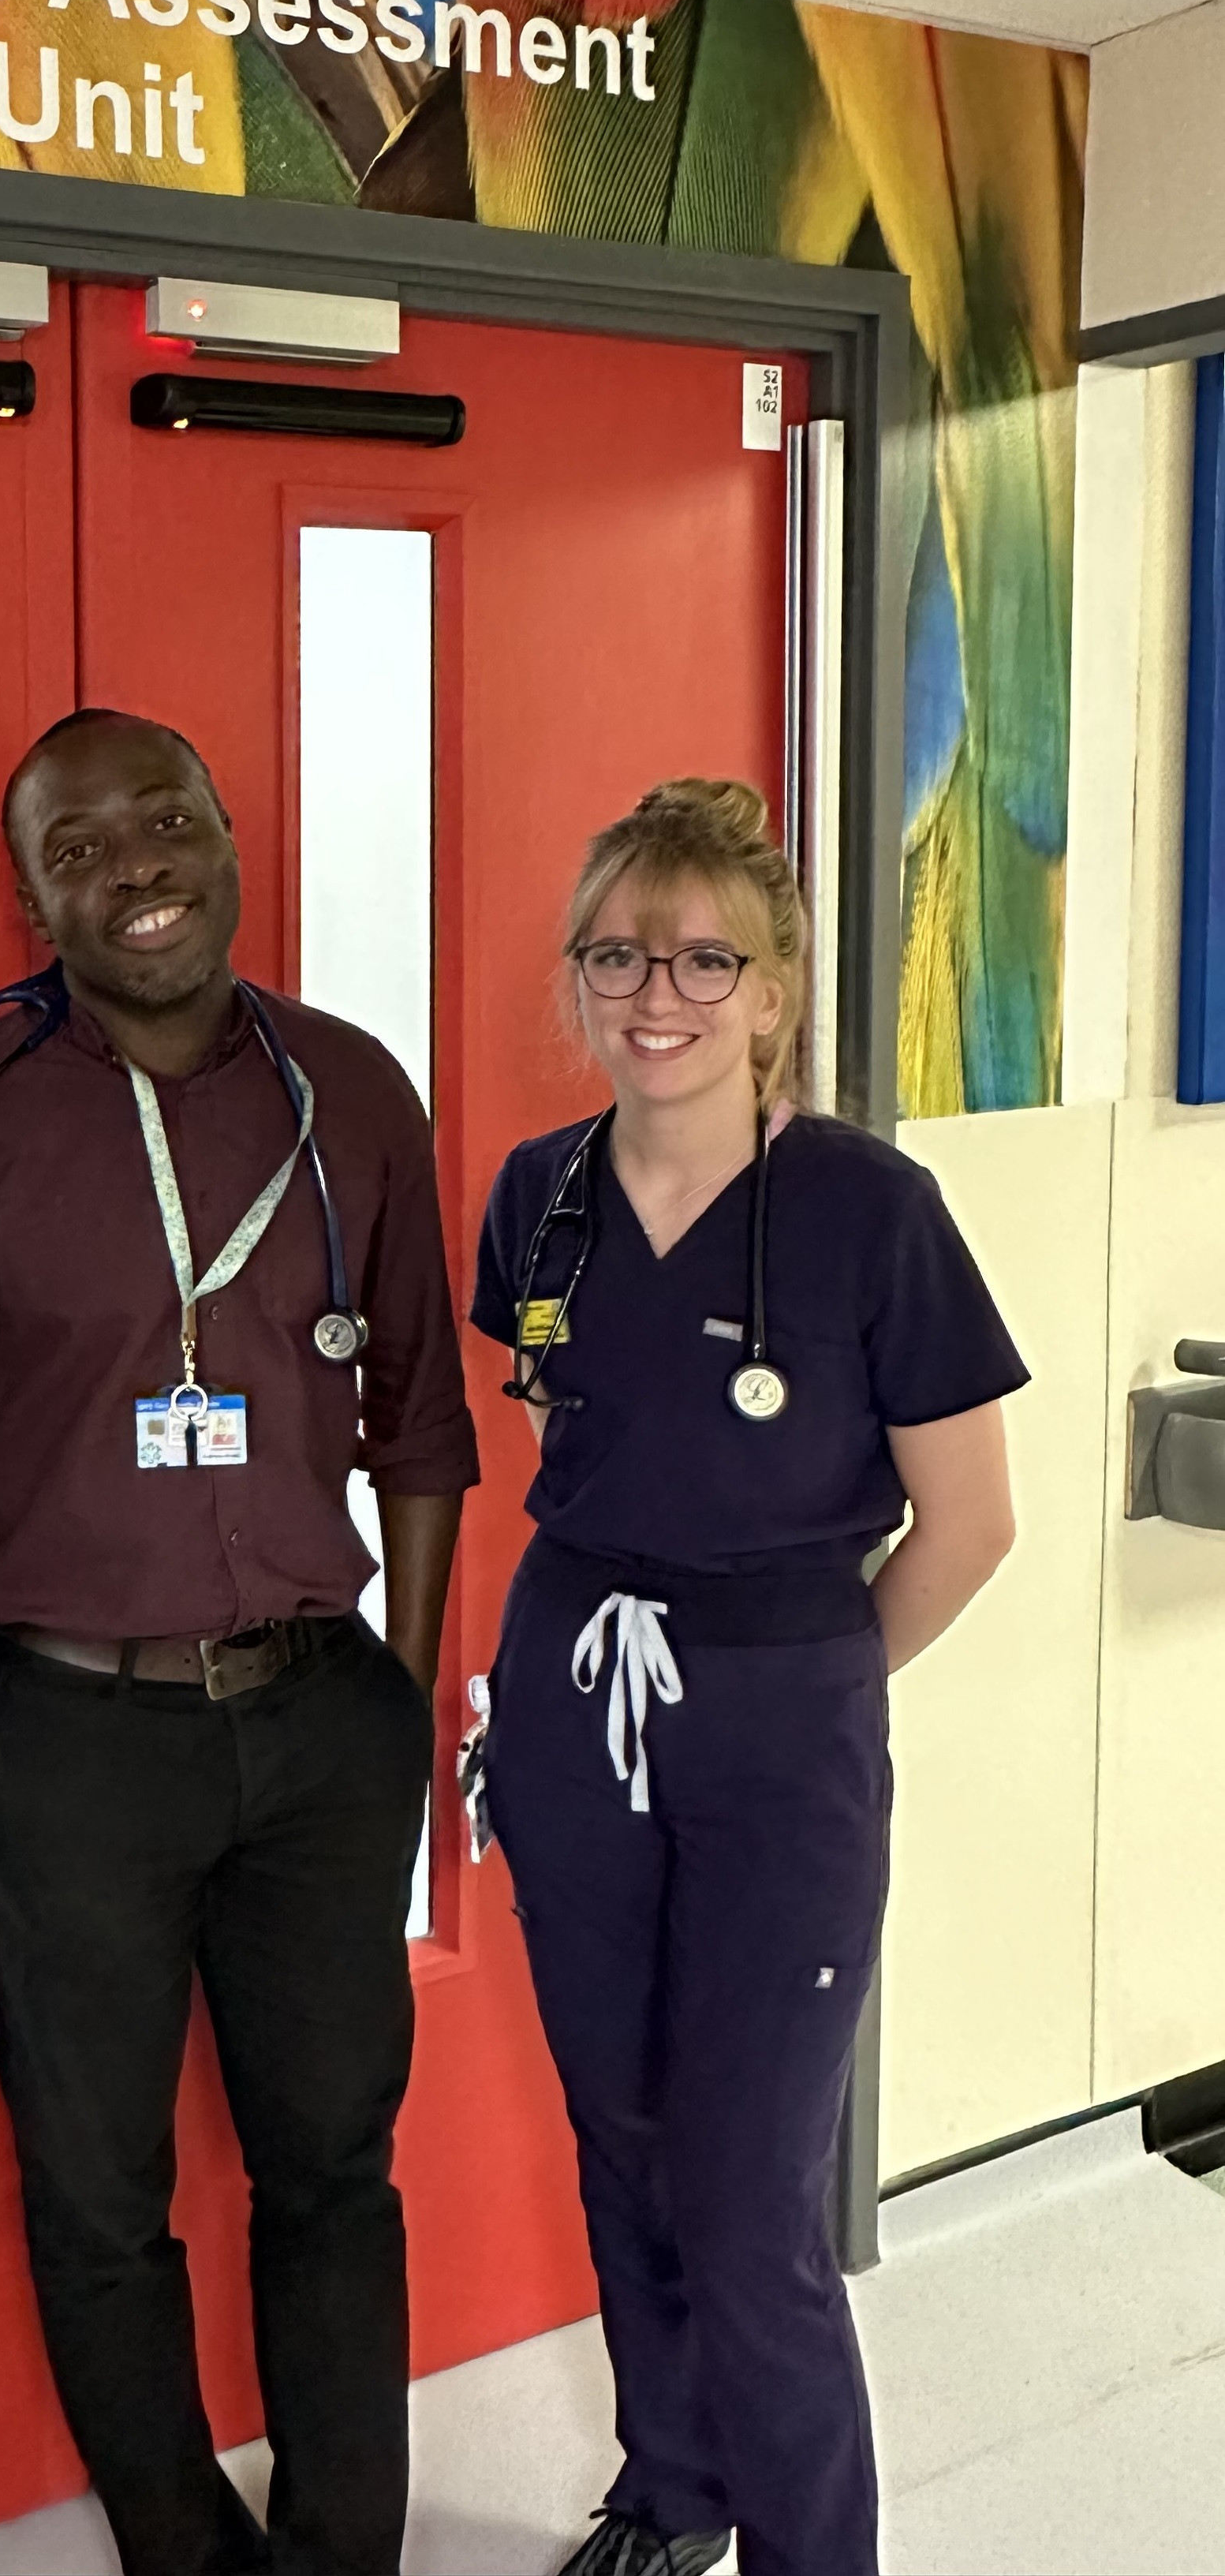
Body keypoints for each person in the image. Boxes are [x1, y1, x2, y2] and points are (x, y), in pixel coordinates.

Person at [0, 707, 478, 2576]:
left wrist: (399, 1698)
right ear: (33, 893)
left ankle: (347, 2544)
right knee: (100, 2202)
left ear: (222, 824)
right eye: (77, 847)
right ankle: (180, 2551)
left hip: (315, 1730)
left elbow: (424, 1429)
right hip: (66, 1746)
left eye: (161, 818)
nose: (134, 868)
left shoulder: (350, 1092)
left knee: (332, 2171)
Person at [469, 779, 1024, 2576]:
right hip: (574, 1691)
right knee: (621, 2134)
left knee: (746, 2188)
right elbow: (565, 1437)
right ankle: (672, 2487)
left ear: (777, 988)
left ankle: (810, 2548)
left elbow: (967, 1522)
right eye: (621, 952)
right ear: (579, 974)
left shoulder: (872, 1210)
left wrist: (798, 1688)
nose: (661, 992)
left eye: (710, 956)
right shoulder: (536, 1202)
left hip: (782, 1709)